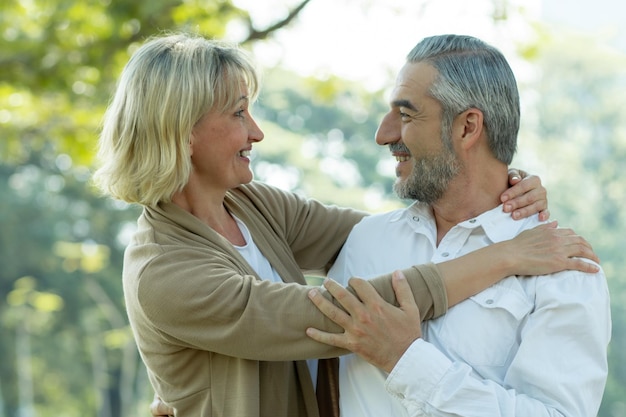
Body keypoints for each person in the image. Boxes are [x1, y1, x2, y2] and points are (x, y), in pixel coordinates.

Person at [92, 32, 598, 417]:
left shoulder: (254, 207)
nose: (258, 131)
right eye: (239, 113)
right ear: (180, 131)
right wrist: (503, 256)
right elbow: (335, 318)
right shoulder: (164, 272)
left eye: (405, 113)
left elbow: (403, 227)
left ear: (469, 127)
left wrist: (504, 194)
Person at [306, 34, 611, 417]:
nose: (383, 135)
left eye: (405, 114)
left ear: (467, 127)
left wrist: (407, 362)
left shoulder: (566, 270)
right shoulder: (367, 240)